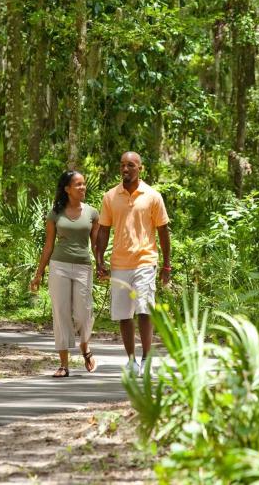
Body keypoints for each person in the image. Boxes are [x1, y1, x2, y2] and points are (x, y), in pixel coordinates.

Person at [94, 151, 171, 377]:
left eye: (130, 165)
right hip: (120, 263)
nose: (125, 169)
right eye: (122, 165)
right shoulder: (110, 196)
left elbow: (163, 232)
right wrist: (99, 260)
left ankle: (146, 359)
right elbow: (103, 230)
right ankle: (131, 360)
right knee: (124, 314)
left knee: (144, 309)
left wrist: (166, 266)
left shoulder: (152, 196)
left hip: (145, 261)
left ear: (140, 168)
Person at [30, 170, 100, 377]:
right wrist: (39, 273)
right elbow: (48, 245)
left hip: (83, 267)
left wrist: (102, 265)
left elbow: (96, 245)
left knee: (83, 313)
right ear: (67, 189)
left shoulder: (92, 213)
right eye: (78, 185)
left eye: (83, 184)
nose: (82, 188)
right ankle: (63, 364)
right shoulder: (55, 213)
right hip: (58, 265)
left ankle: (85, 347)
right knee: (60, 313)